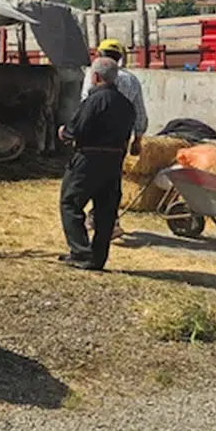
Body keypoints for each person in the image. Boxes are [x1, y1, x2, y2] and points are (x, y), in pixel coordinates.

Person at [57, 57, 136, 271]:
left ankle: (81, 253)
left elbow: (76, 129)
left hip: (88, 160)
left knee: (70, 203)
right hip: (114, 162)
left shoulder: (94, 101)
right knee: (106, 211)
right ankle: (98, 257)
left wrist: (64, 132)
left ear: (95, 77)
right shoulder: (126, 105)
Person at [81, 38, 148, 240]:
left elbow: (86, 103)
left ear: (99, 55)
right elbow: (140, 112)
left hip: (94, 137)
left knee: (90, 177)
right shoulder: (132, 80)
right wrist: (138, 138)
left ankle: (95, 217)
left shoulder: (93, 75)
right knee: (112, 178)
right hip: (120, 139)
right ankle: (109, 220)